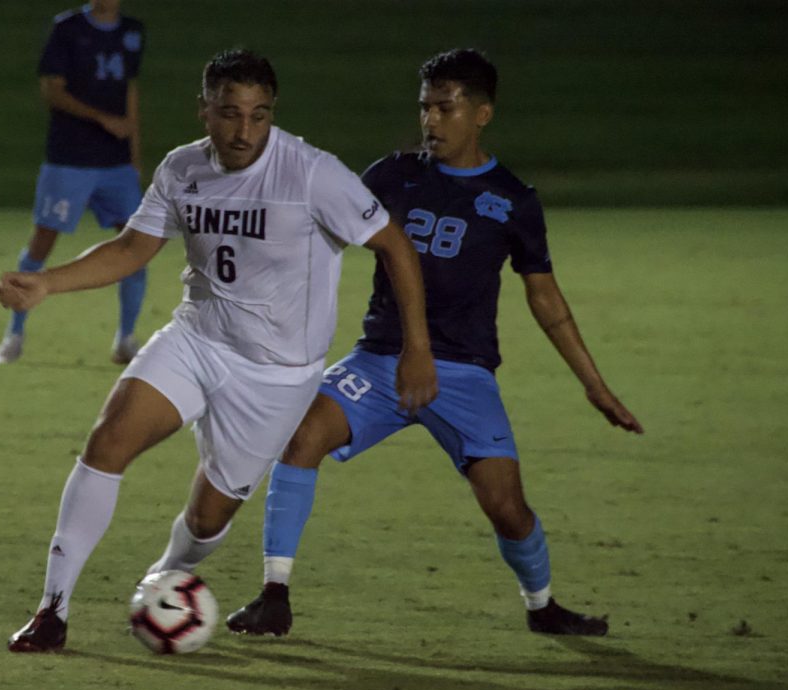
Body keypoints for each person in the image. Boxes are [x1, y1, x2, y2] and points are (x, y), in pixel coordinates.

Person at [0, 49, 438, 653]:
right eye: (230, 114)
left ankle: (165, 573)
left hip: (276, 377)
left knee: (208, 519)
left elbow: (395, 245)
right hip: (197, 340)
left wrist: (417, 346)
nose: (245, 131)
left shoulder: (311, 173)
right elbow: (132, 247)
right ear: (205, 111)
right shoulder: (182, 169)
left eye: (259, 115)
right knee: (108, 440)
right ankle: (53, 609)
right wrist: (48, 283)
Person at [226, 48, 644, 638]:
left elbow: (545, 298)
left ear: (482, 114)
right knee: (300, 437)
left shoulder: (512, 199)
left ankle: (542, 605)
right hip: (378, 362)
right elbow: (315, 235)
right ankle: (274, 594)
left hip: (466, 374)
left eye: (445, 108)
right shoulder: (391, 176)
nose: (430, 120)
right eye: (425, 107)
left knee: (507, 509)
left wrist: (595, 387)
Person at [0, 0, 147, 365]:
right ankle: (14, 333)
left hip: (116, 163)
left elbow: (130, 91)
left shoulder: (133, 32)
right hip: (70, 159)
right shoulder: (68, 28)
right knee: (43, 241)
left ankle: (126, 338)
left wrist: (134, 152)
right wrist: (103, 119)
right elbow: (53, 91)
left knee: (138, 244)